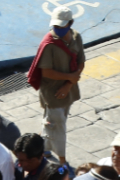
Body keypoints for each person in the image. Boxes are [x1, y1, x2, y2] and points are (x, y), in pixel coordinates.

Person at [28, 5, 84, 162]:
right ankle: (62, 160)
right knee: (58, 126)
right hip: (52, 92)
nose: (58, 28)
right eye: (56, 25)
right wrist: (70, 78)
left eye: (62, 25)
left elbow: (81, 62)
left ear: (70, 23)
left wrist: (69, 84)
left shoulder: (76, 38)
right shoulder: (49, 44)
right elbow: (46, 72)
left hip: (68, 89)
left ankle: (44, 149)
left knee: (53, 122)